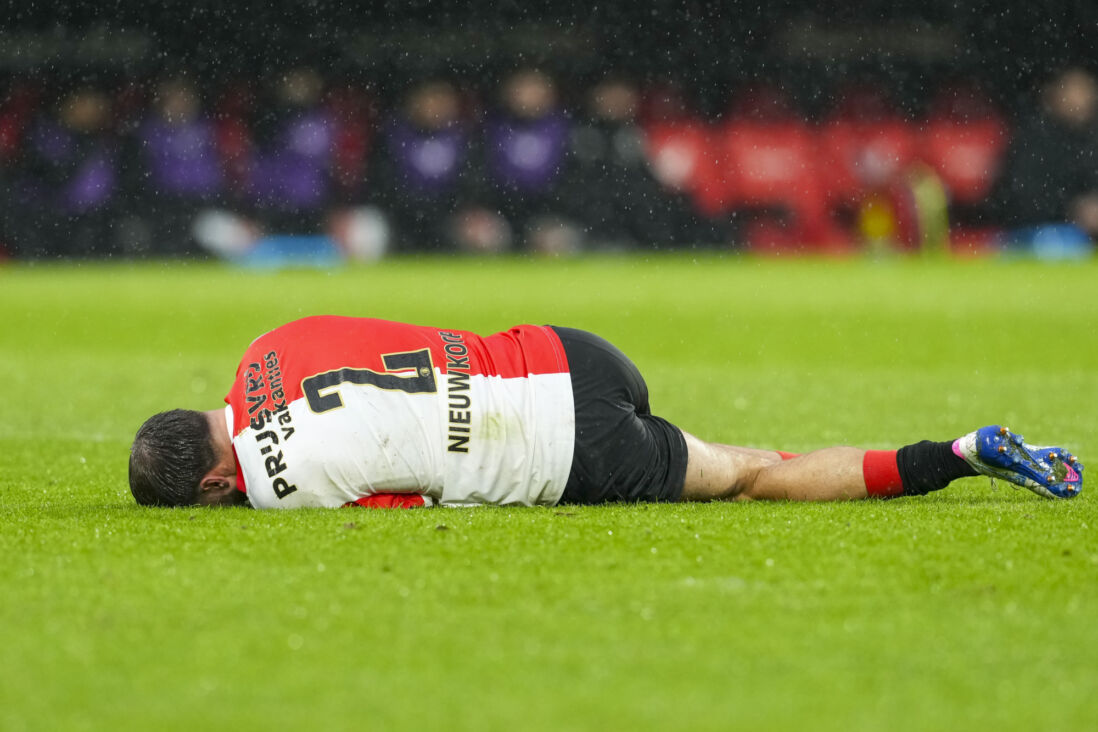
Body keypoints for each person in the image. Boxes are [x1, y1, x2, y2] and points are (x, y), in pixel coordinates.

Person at [129, 316, 1083, 509]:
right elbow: (393, 331)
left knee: (750, 478)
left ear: (215, 476)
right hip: (557, 353)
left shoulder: (275, 488)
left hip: (558, 449)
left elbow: (411, 501)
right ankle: (956, 448)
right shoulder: (269, 345)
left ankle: (956, 453)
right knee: (747, 454)